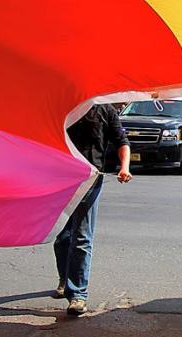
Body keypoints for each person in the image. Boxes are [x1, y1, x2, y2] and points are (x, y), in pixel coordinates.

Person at [53, 103, 132, 315]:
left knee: (81, 236)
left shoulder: (106, 111)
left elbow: (121, 141)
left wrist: (124, 167)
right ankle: (65, 278)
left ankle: (78, 294)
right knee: (62, 236)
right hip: (62, 178)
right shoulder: (65, 109)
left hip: (90, 179)